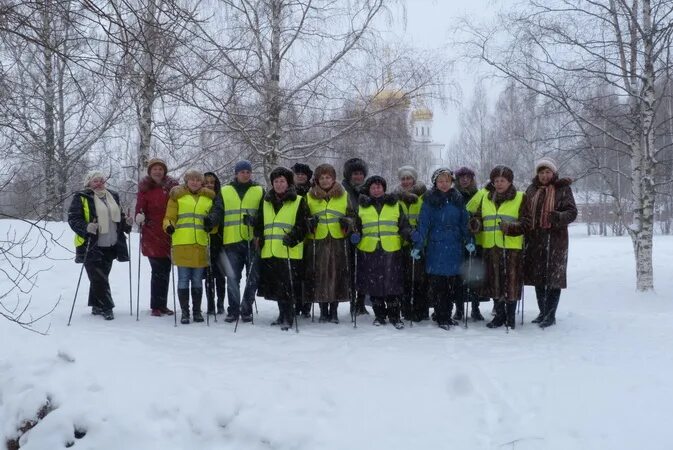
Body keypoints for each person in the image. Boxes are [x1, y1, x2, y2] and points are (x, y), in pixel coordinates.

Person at [68, 171, 132, 321]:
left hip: (111, 243)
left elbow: (118, 217)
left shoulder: (113, 195)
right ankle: (107, 307)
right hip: (91, 244)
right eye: (95, 181)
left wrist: (127, 223)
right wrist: (86, 227)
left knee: (101, 277)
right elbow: (73, 218)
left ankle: (96, 305)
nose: (99, 183)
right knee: (98, 277)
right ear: (88, 183)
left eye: (101, 180)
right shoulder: (82, 197)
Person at [467, 165, 526, 329]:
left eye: (503, 180)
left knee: (511, 282)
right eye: (496, 181)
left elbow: (527, 223)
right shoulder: (486, 198)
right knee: (495, 282)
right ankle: (499, 315)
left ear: (510, 182)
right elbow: (478, 216)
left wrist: (511, 228)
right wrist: (475, 223)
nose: (499, 184)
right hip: (491, 247)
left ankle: (510, 317)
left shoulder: (520, 197)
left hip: (512, 248)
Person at [206, 160, 264, 323]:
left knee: (253, 278)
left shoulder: (259, 190)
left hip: (252, 241)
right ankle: (233, 310)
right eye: (242, 172)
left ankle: (246, 309)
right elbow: (218, 210)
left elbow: (265, 214)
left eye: (248, 172)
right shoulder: (225, 191)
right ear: (236, 174)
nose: (245, 174)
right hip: (231, 241)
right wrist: (211, 220)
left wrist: (255, 220)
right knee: (232, 278)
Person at [522, 157, 577, 328]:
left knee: (553, 278)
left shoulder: (563, 189)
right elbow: (525, 212)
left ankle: (550, 315)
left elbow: (572, 211)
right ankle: (542, 311)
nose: (545, 176)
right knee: (539, 278)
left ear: (553, 173)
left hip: (555, 239)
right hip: (535, 239)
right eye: (541, 172)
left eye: (548, 172)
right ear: (537, 174)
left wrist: (559, 217)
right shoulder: (531, 190)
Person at [411, 168, 469, 330]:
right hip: (436, 247)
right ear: (435, 183)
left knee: (451, 284)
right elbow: (423, 225)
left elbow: (464, 222)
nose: (444, 184)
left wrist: (468, 239)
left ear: (452, 182)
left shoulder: (458, 199)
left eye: (447, 181)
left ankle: (446, 314)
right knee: (439, 285)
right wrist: (418, 245)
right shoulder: (429, 200)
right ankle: (441, 315)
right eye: (440, 181)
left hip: (454, 246)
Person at [352, 176, 411, 329]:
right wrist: (354, 234)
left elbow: (403, 225)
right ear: (369, 190)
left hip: (391, 250)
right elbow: (355, 226)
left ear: (384, 189)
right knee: (374, 285)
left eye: (379, 187)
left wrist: (409, 234)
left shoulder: (395, 205)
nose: (376, 190)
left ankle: (395, 316)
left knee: (393, 285)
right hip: (369, 250)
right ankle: (379, 315)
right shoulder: (361, 207)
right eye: (373, 187)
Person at [255, 167, 309, 330]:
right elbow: (260, 222)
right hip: (271, 250)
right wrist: (258, 235)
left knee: (288, 287)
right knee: (277, 286)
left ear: (288, 183)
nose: (279, 184)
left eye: (282, 181)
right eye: (276, 181)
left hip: (289, 250)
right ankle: (281, 314)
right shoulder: (266, 201)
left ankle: (289, 316)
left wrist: (293, 237)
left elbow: (303, 225)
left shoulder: (298, 200)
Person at [304, 164, 355, 323]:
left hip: (337, 240)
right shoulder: (310, 196)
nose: (325, 181)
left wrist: (349, 222)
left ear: (333, 179)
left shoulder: (343, 195)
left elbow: (353, 216)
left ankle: (334, 311)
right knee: (319, 275)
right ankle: (323, 310)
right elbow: (303, 217)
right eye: (322, 178)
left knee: (336, 275)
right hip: (317, 241)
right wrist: (309, 222)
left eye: (328, 177)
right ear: (317, 180)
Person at [163, 170, 215, 324]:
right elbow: (169, 217)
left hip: (200, 243)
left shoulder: (208, 199)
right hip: (182, 243)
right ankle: (185, 312)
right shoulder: (177, 197)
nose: (195, 182)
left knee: (198, 280)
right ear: (186, 181)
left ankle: (197, 312)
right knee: (184, 279)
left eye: (198, 180)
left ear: (202, 182)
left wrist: (210, 226)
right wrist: (169, 227)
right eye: (191, 180)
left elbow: (213, 224)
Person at [135, 158, 179, 317]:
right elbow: (139, 209)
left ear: (164, 171)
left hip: (169, 233)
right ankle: (156, 305)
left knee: (166, 270)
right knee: (157, 271)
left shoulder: (173, 187)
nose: (158, 171)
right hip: (152, 235)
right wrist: (139, 217)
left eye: (161, 169)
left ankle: (163, 304)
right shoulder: (145, 188)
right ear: (150, 171)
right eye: (155, 169)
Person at [394, 165, 428, 321]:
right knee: (404, 279)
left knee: (420, 279)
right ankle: (406, 310)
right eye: (403, 179)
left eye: (409, 178)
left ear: (414, 179)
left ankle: (421, 310)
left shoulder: (424, 196)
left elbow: (426, 219)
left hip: (420, 242)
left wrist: (419, 238)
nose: (406, 181)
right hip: (401, 243)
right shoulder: (395, 198)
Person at [454, 166, 486, 321]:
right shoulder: (453, 196)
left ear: (472, 179)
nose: (465, 180)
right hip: (457, 243)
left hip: (476, 242)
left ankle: (475, 308)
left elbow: (483, 215)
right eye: (461, 177)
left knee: (474, 277)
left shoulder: (480, 195)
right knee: (458, 277)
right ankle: (459, 309)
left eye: (468, 177)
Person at [341, 157, 369, 315]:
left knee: (364, 269)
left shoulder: (367, 189)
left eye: (360, 173)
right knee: (351, 269)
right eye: (355, 174)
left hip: (366, 234)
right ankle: (352, 302)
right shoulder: (343, 190)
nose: (358, 177)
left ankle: (361, 302)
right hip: (349, 235)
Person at [291, 162, 314, 317]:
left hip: (310, 238)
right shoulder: (289, 191)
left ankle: (306, 304)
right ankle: (295, 302)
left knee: (308, 273)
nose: (300, 176)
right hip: (294, 237)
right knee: (294, 273)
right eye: (297, 174)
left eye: (303, 174)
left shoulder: (313, 193)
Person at [203, 172, 226, 315]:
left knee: (220, 275)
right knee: (208, 275)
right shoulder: (200, 198)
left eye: (212, 182)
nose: (209, 185)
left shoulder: (221, 197)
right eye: (206, 182)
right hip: (205, 239)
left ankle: (220, 304)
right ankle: (210, 304)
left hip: (221, 239)